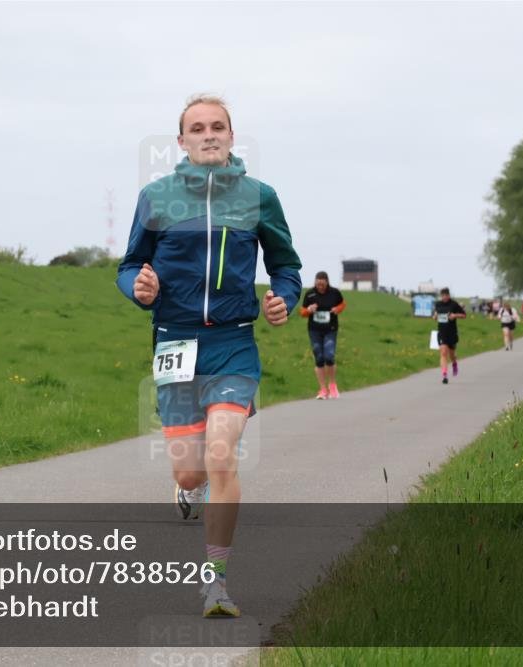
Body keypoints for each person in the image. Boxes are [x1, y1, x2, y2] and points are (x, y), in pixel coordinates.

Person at [117, 95, 301, 618]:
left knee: (222, 454)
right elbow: (129, 264)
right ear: (181, 142)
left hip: (233, 342)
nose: (208, 134)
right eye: (196, 128)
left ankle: (215, 582)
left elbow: (287, 265)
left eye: (217, 126)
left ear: (231, 136)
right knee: (189, 473)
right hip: (174, 343)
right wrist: (140, 287)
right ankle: (187, 489)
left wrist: (284, 298)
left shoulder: (259, 198)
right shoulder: (156, 197)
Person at [300, 271, 345, 399]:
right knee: (319, 358)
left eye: (322, 284)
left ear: (326, 282)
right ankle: (323, 389)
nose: (320, 286)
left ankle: (332, 385)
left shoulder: (334, 293)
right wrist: (308, 310)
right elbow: (302, 311)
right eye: (318, 283)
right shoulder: (310, 294)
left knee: (329, 356)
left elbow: (342, 304)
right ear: (315, 282)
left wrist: (338, 309)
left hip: (330, 329)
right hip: (314, 330)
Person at [434, 288, 466, 384]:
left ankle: (454, 363)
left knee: (451, 355)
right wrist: (435, 316)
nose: (444, 297)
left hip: (451, 333)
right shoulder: (438, 304)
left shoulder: (454, 304)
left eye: (445, 295)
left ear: (448, 295)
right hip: (442, 332)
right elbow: (436, 314)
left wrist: (455, 315)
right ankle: (444, 375)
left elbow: (464, 315)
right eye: (442, 295)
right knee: (443, 352)